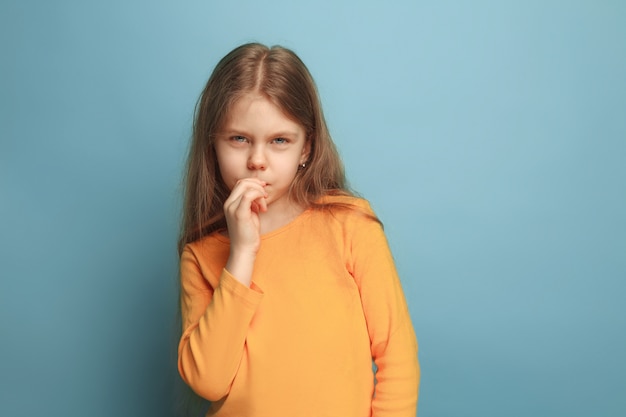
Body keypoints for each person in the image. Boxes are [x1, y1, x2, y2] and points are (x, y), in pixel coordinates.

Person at [177, 42, 419, 417]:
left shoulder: (349, 224)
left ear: (306, 148)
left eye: (279, 141)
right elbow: (208, 380)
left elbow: (397, 357)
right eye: (239, 139)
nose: (257, 161)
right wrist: (241, 254)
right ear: (213, 144)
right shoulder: (201, 254)